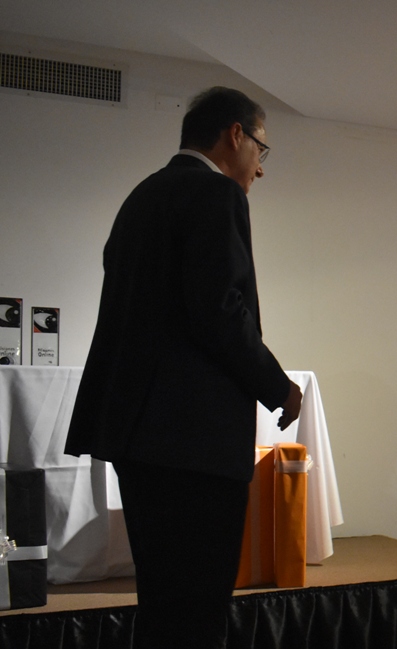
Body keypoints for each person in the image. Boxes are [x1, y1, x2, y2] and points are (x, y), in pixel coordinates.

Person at [65, 86, 302, 649]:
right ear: (236, 135)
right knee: (198, 609)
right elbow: (219, 310)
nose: (260, 168)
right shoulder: (217, 193)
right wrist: (278, 387)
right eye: (261, 149)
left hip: (137, 438)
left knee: (162, 605)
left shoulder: (142, 196)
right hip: (193, 441)